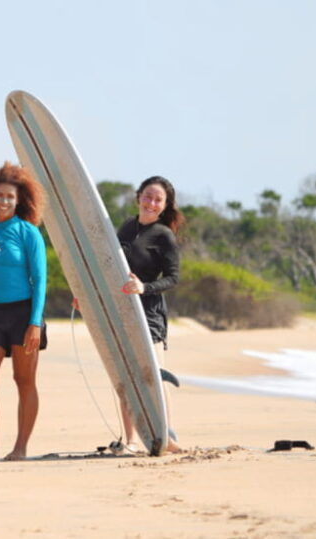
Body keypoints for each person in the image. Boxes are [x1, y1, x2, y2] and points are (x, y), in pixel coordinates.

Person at [0, 162, 47, 462]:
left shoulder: (28, 232)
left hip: (23, 313)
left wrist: (35, 322)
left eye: (10, 197)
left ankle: (20, 448)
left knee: (24, 380)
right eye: (0, 195)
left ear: (18, 201)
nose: (4, 201)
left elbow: (40, 279)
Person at [116, 175, 184, 454]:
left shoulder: (163, 235)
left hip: (150, 313)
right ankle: (131, 440)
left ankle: (166, 436)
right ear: (138, 197)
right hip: (123, 310)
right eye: (147, 196)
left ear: (165, 205)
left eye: (158, 200)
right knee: (124, 377)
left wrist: (145, 287)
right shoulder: (126, 228)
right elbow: (109, 265)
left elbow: (173, 277)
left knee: (154, 376)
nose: (151, 203)